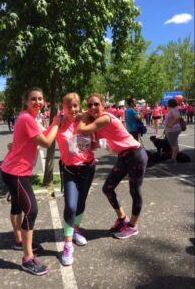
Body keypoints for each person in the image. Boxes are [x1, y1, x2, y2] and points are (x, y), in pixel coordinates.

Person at [1, 87, 60, 276]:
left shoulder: (29, 118)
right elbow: (46, 141)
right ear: (26, 101)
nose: (38, 102)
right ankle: (27, 259)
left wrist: (55, 124)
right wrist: (57, 123)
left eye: (40, 99)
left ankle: (19, 240)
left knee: (18, 206)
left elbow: (43, 133)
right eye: (33, 99)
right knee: (31, 210)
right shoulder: (27, 118)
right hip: (15, 172)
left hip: (13, 169)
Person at [77, 93, 148, 239]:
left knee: (135, 191)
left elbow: (82, 130)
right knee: (107, 188)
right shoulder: (97, 123)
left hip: (135, 155)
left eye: (96, 104)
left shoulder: (105, 118)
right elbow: (96, 145)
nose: (93, 107)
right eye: (89, 105)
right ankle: (122, 219)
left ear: (103, 106)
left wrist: (83, 118)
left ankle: (133, 226)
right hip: (123, 156)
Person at [55, 92, 96, 266]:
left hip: (88, 168)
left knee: (81, 204)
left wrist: (101, 144)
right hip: (70, 170)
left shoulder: (85, 120)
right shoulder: (59, 122)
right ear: (63, 106)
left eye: (75, 105)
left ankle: (75, 230)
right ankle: (67, 244)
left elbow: (93, 143)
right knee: (70, 205)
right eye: (69, 105)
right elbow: (41, 137)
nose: (73, 108)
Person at [164, 99, 181, 164]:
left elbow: (177, 117)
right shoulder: (174, 109)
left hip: (172, 130)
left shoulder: (174, 110)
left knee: (173, 145)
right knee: (174, 144)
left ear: (170, 104)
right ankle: (175, 157)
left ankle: (173, 159)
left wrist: (171, 125)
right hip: (173, 130)